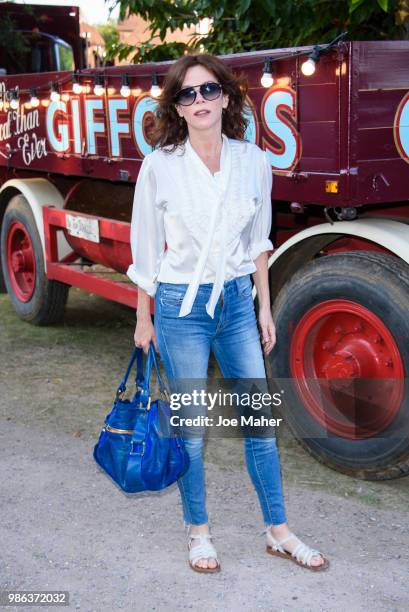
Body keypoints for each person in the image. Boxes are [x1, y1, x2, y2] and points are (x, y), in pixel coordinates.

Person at [127, 53, 329, 573]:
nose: (200, 101)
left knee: (259, 422)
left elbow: (258, 241)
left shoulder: (253, 161)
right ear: (175, 104)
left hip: (238, 303)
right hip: (179, 308)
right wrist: (142, 318)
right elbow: (146, 253)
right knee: (191, 427)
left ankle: (278, 531)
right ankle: (198, 531)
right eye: (188, 93)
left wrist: (264, 307)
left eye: (208, 90)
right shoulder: (160, 166)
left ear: (226, 96)